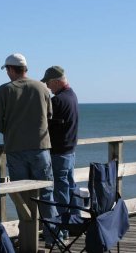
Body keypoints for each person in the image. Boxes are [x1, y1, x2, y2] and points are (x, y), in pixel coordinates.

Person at [0, 53, 57, 248]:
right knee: (46, 194)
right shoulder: (42, 88)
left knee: (22, 197)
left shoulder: (4, 90)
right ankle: (53, 238)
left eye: (7, 70)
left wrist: (10, 130)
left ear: (11, 69)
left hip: (16, 149)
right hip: (41, 149)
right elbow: (49, 115)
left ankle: (27, 238)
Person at [41, 66, 79, 241]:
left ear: (56, 81)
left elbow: (43, 122)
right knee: (70, 188)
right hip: (70, 152)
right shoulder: (72, 96)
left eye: (48, 83)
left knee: (60, 191)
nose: (48, 87)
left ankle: (62, 229)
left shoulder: (58, 101)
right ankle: (74, 224)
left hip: (59, 154)